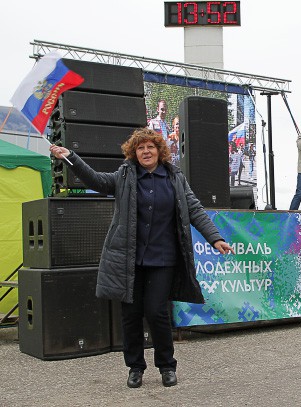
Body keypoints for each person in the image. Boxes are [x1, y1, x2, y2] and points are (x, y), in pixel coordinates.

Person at [49, 128, 234, 389]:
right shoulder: (125, 176)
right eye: (140, 148)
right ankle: (135, 367)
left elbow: (194, 209)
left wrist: (215, 238)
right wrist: (71, 157)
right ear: (133, 153)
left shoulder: (174, 177)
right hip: (129, 259)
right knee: (131, 315)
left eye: (150, 147)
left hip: (164, 258)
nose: (145, 151)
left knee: (157, 312)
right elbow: (96, 181)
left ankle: (167, 366)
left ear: (159, 151)